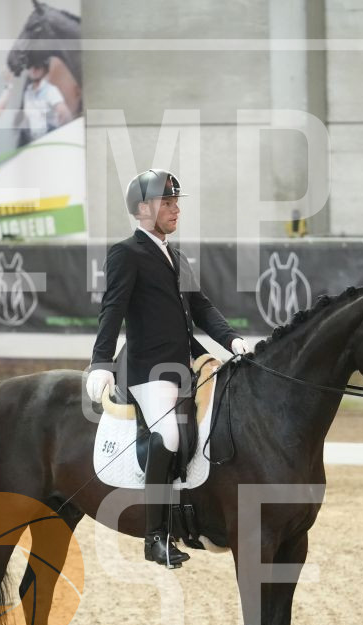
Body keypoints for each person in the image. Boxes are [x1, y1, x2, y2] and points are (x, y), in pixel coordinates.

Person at [85, 170, 252, 569]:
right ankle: (155, 537)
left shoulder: (176, 256)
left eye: (177, 203)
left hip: (184, 363)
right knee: (169, 435)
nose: (176, 210)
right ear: (143, 209)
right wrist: (101, 363)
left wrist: (232, 341)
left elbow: (202, 308)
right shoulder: (126, 253)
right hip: (147, 370)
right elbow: (113, 309)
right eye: (167, 203)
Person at [20, 53, 72, 143]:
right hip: (34, 141)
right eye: (30, 66)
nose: (33, 70)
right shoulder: (27, 93)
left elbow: (66, 115)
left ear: (44, 69)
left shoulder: (50, 90)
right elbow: (27, 119)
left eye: (37, 67)